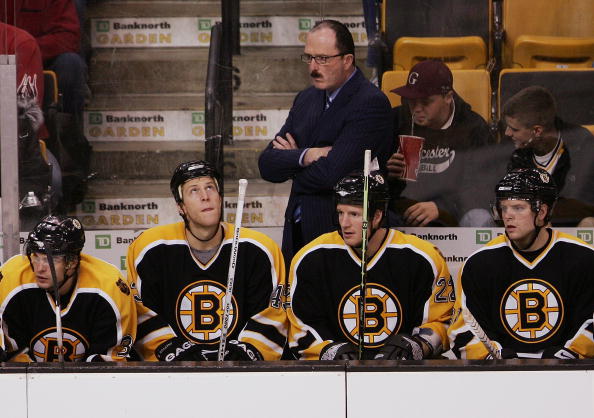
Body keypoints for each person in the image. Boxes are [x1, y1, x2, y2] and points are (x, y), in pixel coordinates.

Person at [258, 19, 393, 263]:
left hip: (340, 236)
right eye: (309, 58)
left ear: (347, 60)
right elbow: (267, 164)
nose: (313, 67)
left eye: (322, 59)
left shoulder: (370, 103)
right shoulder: (306, 98)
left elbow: (333, 175)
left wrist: (292, 165)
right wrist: (307, 155)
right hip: (297, 232)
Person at [126, 160, 287, 361]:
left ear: (220, 198)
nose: (205, 196)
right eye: (194, 191)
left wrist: (241, 354)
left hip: (240, 376)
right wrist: (174, 352)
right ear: (180, 207)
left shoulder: (259, 249)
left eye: (210, 187)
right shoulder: (150, 249)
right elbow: (139, 312)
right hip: (171, 377)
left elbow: (273, 314)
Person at [287, 171, 453, 360]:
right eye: (340, 213)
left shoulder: (423, 257)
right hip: (335, 379)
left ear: (376, 216)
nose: (344, 223)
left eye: (354, 214)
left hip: (405, 377)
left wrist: (418, 345)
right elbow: (300, 325)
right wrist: (327, 350)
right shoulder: (311, 258)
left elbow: (443, 320)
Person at [448, 168, 594, 359]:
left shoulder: (582, 258)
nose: (508, 215)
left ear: (542, 212)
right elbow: (464, 327)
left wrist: (570, 355)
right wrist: (494, 358)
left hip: (570, 378)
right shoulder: (479, 263)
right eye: (504, 207)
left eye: (518, 208)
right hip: (500, 378)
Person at [0, 215, 144, 361]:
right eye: (36, 256)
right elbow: (12, 357)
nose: (39, 268)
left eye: (51, 259)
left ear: (72, 262)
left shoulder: (108, 287)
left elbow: (108, 364)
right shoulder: (12, 278)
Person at [386, 59, 495, 227]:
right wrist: (388, 174)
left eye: (426, 101)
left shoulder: (473, 127)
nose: (416, 108)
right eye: (412, 100)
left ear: (448, 97)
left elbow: (483, 186)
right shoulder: (397, 120)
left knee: (479, 219)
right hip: (406, 208)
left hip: (454, 208)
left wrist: (442, 206)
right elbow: (371, 175)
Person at [503, 86, 594, 226]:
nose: (507, 133)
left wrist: (543, 214)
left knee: (589, 223)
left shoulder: (581, 143)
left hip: (571, 223)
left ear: (537, 131)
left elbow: (584, 202)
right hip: (527, 226)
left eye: (514, 129)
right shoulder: (511, 148)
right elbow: (506, 198)